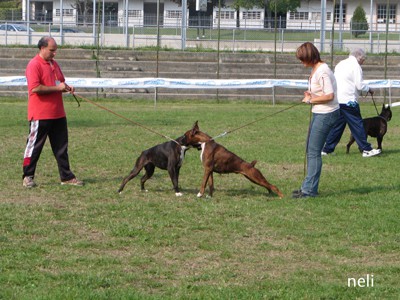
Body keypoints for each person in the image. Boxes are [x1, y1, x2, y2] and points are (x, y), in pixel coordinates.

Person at [22, 36, 83, 188]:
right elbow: (35, 88)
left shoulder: (54, 64)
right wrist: (58, 88)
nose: (54, 54)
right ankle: (27, 176)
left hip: (58, 114)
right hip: (40, 115)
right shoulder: (33, 65)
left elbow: (59, 82)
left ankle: (66, 177)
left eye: (55, 50)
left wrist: (67, 87)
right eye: (52, 50)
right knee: (34, 147)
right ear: (42, 48)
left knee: (62, 148)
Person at [293, 42, 340, 198]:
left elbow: (329, 95)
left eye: (302, 59)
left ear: (310, 57)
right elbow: (321, 93)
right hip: (320, 112)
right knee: (311, 150)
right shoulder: (316, 69)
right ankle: (307, 186)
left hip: (326, 114)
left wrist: (311, 100)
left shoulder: (323, 71)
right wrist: (311, 95)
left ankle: (309, 190)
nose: (301, 62)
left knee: (313, 152)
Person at [322, 48, 381, 158]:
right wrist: (369, 89)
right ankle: (366, 149)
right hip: (349, 101)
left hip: (338, 100)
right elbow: (359, 85)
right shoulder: (356, 66)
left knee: (337, 126)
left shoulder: (340, 64)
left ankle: (327, 149)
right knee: (358, 125)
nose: (363, 62)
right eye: (363, 60)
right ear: (359, 57)